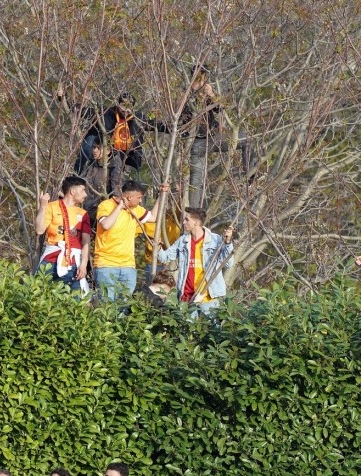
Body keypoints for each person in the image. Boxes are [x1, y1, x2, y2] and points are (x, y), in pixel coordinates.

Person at [183, 65, 256, 207]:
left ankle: (250, 178)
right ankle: (194, 215)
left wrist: (211, 95)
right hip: (198, 142)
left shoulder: (205, 93)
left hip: (213, 137)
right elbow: (185, 119)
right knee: (195, 182)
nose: (203, 81)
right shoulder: (186, 95)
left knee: (247, 139)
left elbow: (220, 108)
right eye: (201, 78)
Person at [94, 180, 169, 302]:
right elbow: (106, 225)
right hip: (106, 265)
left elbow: (153, 217)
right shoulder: (106, 205)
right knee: (106, 305)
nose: (140, 201)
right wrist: (119, 207)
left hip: (128, 266)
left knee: (124, 305)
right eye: (139, 198)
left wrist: (161, 195)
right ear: (129, 197)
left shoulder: (136, 209)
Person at [157, 207, 234, 315]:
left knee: (214, 329)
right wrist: (157, 246)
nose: (183, 222)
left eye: (187, 220)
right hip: (188, 297)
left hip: (208, 296)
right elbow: (164, 258)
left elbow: (228, 263)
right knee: (187, 329)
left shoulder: (215, 240)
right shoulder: (183, 241)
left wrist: (227, 242)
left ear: (196, 223)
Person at [35, 176, 92, 292]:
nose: (85, 195)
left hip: (73, 262)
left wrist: (84, 264)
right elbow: (39, 230)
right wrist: (42, 207)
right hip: (51, 259)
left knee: (77, 299)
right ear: (72, 191)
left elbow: (86, 241)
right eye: (83, 191)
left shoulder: (83, 214)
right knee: (38, 292)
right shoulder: (52, 207)